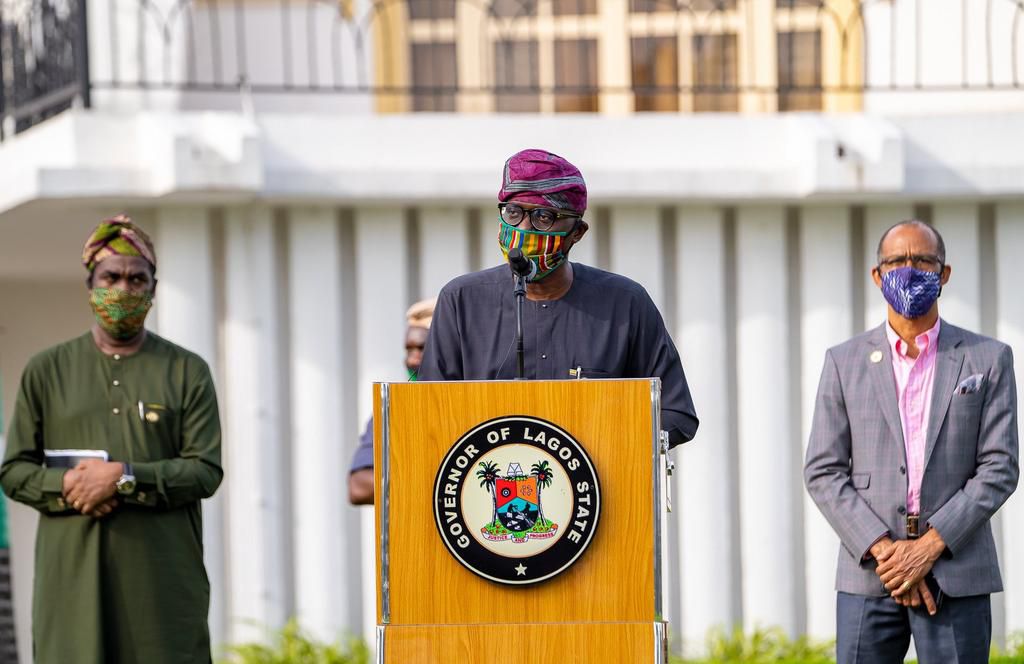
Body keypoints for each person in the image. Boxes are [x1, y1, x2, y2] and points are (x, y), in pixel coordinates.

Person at [0, 215, 223, 664]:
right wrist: (71, 486)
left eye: (137, 279)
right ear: (90, 285)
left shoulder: (185, 370)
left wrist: (123, 477)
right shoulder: (47, 370)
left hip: (162, 591)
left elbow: (205, 470)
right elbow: (14, 471)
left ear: (153, 290)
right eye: (111, 277)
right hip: (72, 586)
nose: (123, 290)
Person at [804, 220, 1018, 664]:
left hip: (957, 573)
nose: (910, 269)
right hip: (870, 575)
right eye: (897, 261)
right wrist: (889, 552)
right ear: (878, 275)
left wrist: (927, 547)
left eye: (923, 260)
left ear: (944, 274)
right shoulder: (844, 363)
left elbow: (999, 467)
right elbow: (823, 470)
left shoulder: (989, 359)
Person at [417, 148, 698, 447]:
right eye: (513, 212)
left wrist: (609, 439)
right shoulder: (462, 300)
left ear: (577, 232)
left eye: (543, 217)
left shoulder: (625, 303)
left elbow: (675, 413)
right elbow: (429, 412)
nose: (524, 229)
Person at [348, 298, 435, 505]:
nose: (413, 359)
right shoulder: (395, 407)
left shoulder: (480, 398)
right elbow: (359, 486)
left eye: (421, 349)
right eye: (409, 350)